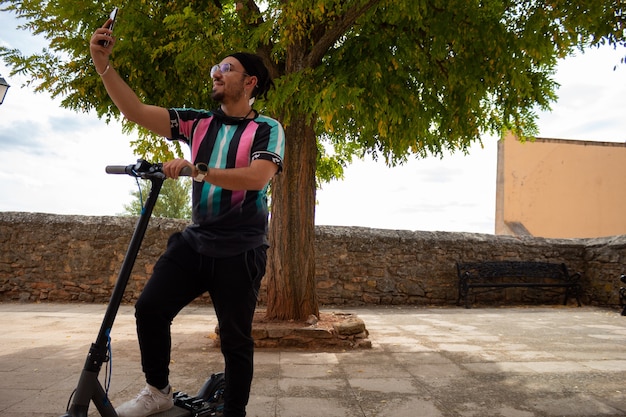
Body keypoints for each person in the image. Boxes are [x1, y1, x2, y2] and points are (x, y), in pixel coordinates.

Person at [90, 16, 285, 417]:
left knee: (234, 338)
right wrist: (103, 65)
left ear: (250, 82)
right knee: (150, 307)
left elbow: (257, 177)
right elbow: (136, 111)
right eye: (215, 68)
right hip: (196, 242)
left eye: (226, 68)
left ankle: (234, 411)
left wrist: (198, 170)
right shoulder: (198, 122)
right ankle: (157, 390)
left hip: (240, 250)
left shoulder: (267, 129)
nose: (217, 73)